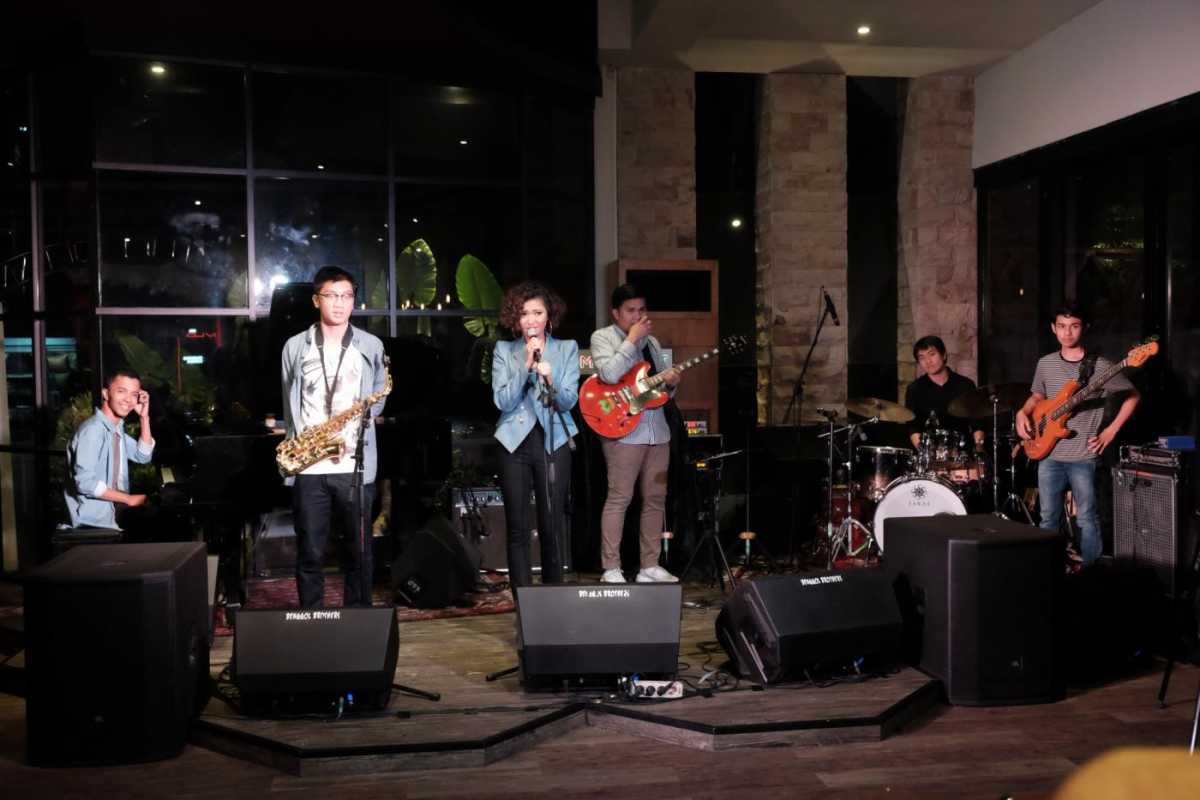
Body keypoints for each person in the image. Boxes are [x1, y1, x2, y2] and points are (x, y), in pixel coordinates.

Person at [281, 265, 389, 607]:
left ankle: (358, 620)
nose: (340, 303)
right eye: (331, 295)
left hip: (354, 466)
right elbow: (289, 400)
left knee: (359, 552)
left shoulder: (371, 345)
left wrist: (360, 418)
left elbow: (379, 394)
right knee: (310, 551)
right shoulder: (295, 346)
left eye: (347, 296)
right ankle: (311, 620)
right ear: (316, 300)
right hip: (310, 466)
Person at [1015, 304, 1139, 565]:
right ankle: (1050, 570)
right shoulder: (1045, 363)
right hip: (1048, 454)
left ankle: (1091, 575)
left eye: (1074, 326)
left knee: (1087, 519)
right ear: (1053, 328)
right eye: (1061, 326)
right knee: (1048, 518)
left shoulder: (1101, 366)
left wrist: (1111, 430)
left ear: (1084, 328)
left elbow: (1132, 396)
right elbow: (1037, 396)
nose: (1067, 332)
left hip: (1083, 455)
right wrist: (1021, 413)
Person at [590, 283, 681, 584]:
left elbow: (661, 391)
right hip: (623, 431)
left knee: (655, 498)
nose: (638, 316)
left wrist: (671, 383)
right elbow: (609, 374)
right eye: (630, 311)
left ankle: (649, 566)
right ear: (616, 313)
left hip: (657, 431)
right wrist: (631, 340)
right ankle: (611, 567)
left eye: (642, 310)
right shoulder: (603, 337)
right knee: (620, 497)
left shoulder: (652, 342)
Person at [491, 281, 579, 589]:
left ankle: (552, 599)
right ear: (516, 318)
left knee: (551, 524)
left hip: (553, 441)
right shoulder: (504, 351)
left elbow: (568, 401)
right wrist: (526, 367)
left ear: (548, 316)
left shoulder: (566, 348)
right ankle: (524, 602)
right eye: (524, 313)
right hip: (513, 443)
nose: (531, 320)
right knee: (517, 527)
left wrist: (549, 376)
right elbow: (502, 402)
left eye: (537, 313)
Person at [65, 368, 155, 530]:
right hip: (91, 524)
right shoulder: (93, 430)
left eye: (134, 394)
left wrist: (144, 417)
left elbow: (143, 456)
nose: (128, 399)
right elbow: (84, 483)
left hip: (111, 518)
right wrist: (127, 499)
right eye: (121, 391)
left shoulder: (115, 429)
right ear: (106, 394)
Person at [904, 335, 985, 452]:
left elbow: (978, 423)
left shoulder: (965, 385)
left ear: (944, 355)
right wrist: (925, 453)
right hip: (929, 453)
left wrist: (978, 449)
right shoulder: (915, 389)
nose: (928, 361)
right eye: (922, 357)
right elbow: (913, 428)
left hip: (963, 452)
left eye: (932, 354)